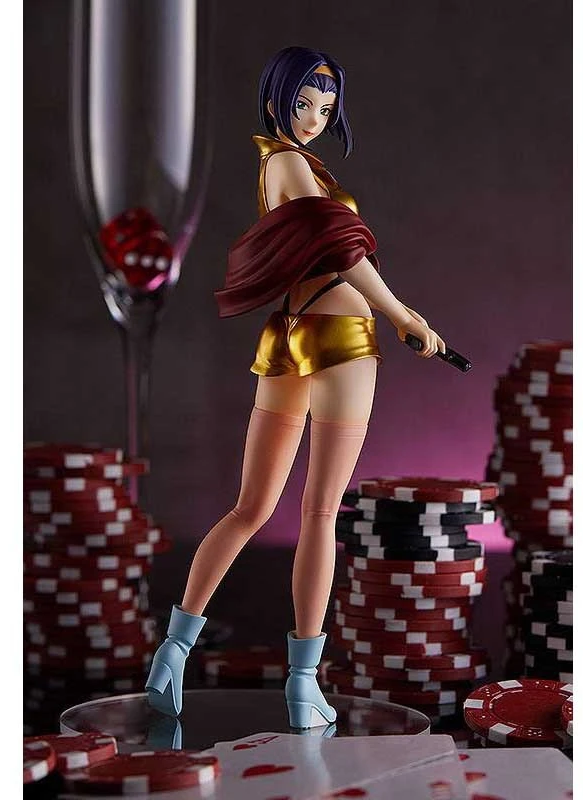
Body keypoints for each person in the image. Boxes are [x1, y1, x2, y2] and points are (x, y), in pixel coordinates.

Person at [146, 46, 446, 729]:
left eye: (326, 109)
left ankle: (173, 649)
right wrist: (403, 315)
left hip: (286, 338)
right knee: (318, 513)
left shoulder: (282, 165)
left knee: (251, 508)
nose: (314, 118)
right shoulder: (288, 164)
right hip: (338, 341)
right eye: (304, 103)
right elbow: (342, 253)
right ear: (276, 98)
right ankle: (303, 682)